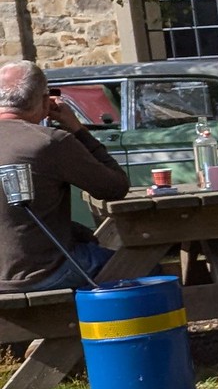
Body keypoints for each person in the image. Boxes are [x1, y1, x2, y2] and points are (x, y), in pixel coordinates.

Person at [0, 59, 132, 293]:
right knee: (145, 269)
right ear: (44, 100)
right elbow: (115, 187)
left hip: (10, 272)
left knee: (86, 241)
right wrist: (78, 129)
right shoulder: (49, 142)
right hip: (40, 272)